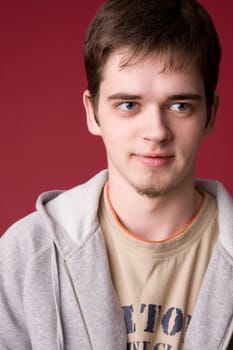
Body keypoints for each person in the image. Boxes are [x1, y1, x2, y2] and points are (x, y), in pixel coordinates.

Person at [0, 0, 232, 349]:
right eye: (129, 105)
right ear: (92, 112)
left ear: (210, 115)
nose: (156, 131)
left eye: (179, 105)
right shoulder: (24, 256)